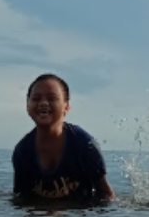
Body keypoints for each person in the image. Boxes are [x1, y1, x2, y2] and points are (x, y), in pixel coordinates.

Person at [12, 73, 115, 202]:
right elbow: (21, 199)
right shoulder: (22, 152)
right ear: (28, 105)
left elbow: (106, 195)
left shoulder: (84, 144)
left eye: (51, 98)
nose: (43, 103)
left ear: (66, 107)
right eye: (36, 99)